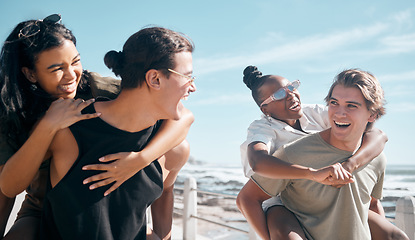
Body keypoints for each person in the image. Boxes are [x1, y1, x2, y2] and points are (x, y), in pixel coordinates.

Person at [0, 15, 193, 239]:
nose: (71, 75)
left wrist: (140, 160)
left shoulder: (98, 89)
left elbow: (182, 117)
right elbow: (7, 190)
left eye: (75, 62)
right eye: (56, 69)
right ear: (30, 73)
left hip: (105, 206)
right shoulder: (11, 111)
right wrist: (47, 126)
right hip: (40, 207)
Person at [240, 68, 408, 239]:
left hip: (321, 192)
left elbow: (377, 135)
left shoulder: (313, 112)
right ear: (265, 109)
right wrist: (311, 174)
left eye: (291, 87)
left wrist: (349, 165)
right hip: (278, 199)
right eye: (280, 94)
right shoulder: (262, 129)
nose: (290, 95)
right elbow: (258, 162)